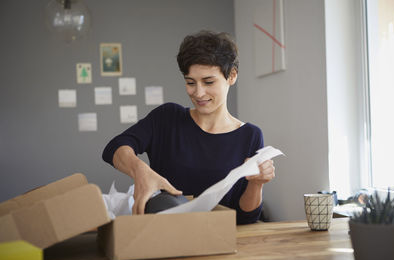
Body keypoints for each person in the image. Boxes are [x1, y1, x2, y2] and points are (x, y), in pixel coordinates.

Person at [102, 30, 275, 224]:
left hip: (219, 241)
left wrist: (257, 184)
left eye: (208, 82)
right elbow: (114, 148)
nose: (199, 93)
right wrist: (140, 170)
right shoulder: (167, 118)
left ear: (232, 76)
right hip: (163, 236)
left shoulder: (249, 135)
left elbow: (246, 217)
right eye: (190, 82)